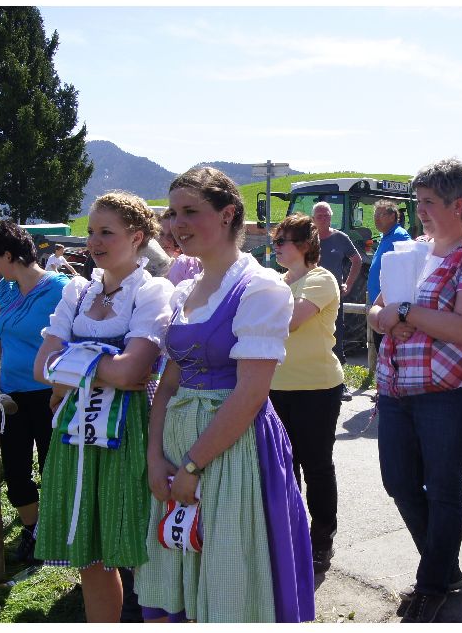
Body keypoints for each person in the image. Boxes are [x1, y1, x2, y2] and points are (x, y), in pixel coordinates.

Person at [134, 167, 315, 623]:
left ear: (227, 213)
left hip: (233, 451)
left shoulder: (260, 288)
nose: (177, 224)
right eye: (173, 213)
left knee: (229, 579)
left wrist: (193, 465)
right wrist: (155, 457)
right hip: (177, 446)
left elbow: (250, 394)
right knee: (178, 562)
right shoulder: (184, 292)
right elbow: (168, 383)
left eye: (190, 211)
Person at [366, 158, 462, 623]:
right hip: (397, 389)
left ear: (457, 204)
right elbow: (376, 310)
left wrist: (405, 314)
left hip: (450, 393)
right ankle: (442, 567)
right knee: (399, 482)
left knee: (443, 488)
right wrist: (389, 318)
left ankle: (432, 583)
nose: (419, 211)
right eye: (418, 201)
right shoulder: (413, 250)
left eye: (427, 202)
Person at [32, 191, 173, 622]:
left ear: (136, 237)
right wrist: (104, 367)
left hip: (129, 432)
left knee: (141, 547)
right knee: (91, 557)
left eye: (106, 232)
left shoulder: (151, 291)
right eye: (91, 231)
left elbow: (132, 372)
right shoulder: (77, 291)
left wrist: (73, 366)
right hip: (76, 431)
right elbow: (42, 367)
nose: (94, 241)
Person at [0, 221, 71, 565]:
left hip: (50, 394)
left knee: (53, 467)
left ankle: (57, 532)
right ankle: (32, 530)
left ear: (9, 255)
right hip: (11, 396)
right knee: (16, 468)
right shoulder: (6, 289)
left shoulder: (61, 288)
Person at [267, 213, 345, 576]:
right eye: (275, 241)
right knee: (285, 468)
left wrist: (256, 313)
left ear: (303, 245)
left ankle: (322, 540)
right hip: (275, 387)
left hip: (317, 388)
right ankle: (292, 535)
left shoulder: (320, 278)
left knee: (316, 466)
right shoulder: (276, 281)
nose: (275, 247)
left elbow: (290, 321)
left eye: (281, 241)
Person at [312, 200, 362, 379]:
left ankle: (339, 381)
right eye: (320, 216)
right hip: (310, 296)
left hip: (334, 297)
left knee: (336, 337)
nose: (323, 219)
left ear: (331, 217)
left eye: (326, 215)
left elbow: (357, 260)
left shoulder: (340, 238)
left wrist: (348, 284)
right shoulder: (308, 239)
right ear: (313, 218)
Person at [366, 199, 411, 355]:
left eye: (381, 215)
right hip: (380, 306)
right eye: (375, 215)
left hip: (390, 309)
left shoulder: (399, 236)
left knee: (389, 354)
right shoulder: (386, 236)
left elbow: (406, 270)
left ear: (392, 217)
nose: (376, 219)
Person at [159, 207, 202, 286]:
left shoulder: (193, 267)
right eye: (161, 234)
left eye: (172, 234)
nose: (165, 240)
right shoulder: (147, 264)